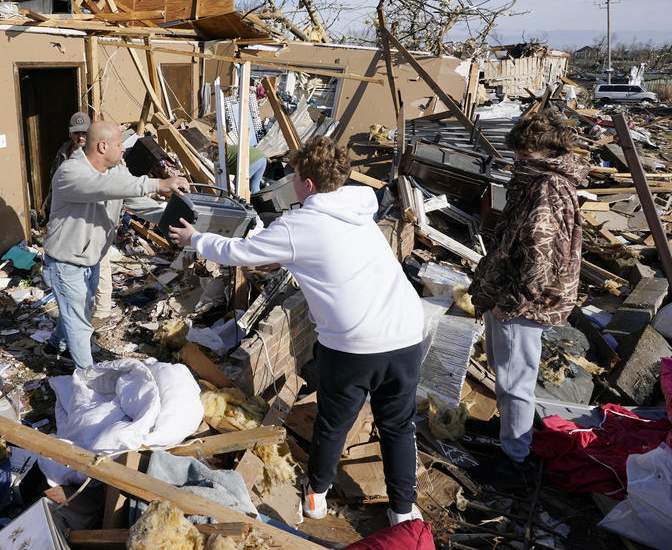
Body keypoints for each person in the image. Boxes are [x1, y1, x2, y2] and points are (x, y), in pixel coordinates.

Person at [169, 136, 424, 526]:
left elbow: (237, 252)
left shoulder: (299, 224)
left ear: (306, 184)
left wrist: (195, 239)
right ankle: (403, 512)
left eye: (294, 176)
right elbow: (330, 256)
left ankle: (317, 497)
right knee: (398, 426)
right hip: (406, 332)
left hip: (354, 343)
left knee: (333, 423)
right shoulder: (359, 208)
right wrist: (285, 258)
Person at [468, 112, 589, 488]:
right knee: (508, 373)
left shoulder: (546, 186)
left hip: (525, 301)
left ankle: (515, 458)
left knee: (515, 379)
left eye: (525, 151)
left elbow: (541, 252)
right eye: (518, 150)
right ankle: (510, 433)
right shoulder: (542, 179)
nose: (518, 158)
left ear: (548, 148)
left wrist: (515, 301)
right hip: (517, 294)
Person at [44, 121, 189, 368]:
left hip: (91, 258)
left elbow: (134, 200)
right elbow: (104, 188)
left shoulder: (116, 172)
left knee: (79, 309)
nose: (124, 149)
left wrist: (176, 217)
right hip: (66, 262)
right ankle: (88, 377)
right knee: (79, 321)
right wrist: (158, 184)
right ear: (102, 146)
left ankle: (55, 345)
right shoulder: (70, 173)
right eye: (119, 144)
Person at [45, 112, 115, 324]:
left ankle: (102, 311)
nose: (80, 137)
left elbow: (113, 187)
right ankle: (81, 313)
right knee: (83, 272)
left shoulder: (99, 154)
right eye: (76, 133)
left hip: (96, 220)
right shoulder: (65, 152)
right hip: (72, 220)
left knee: (101, 264)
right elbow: (55, 181)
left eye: (84, 132)